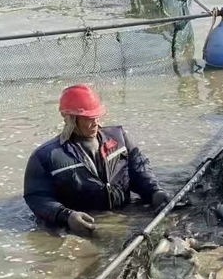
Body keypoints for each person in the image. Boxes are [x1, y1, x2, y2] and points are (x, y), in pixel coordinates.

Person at [23, 85, 170, 236]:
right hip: (86, 225)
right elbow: (37, 197)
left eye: (96, 116)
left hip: (124, 215)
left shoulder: (119, 138)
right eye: (88, 118)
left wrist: (154, 191)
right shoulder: (46, 156)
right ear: (71, 119)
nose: (95, 122)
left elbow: (139, 170)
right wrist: (66, 216)